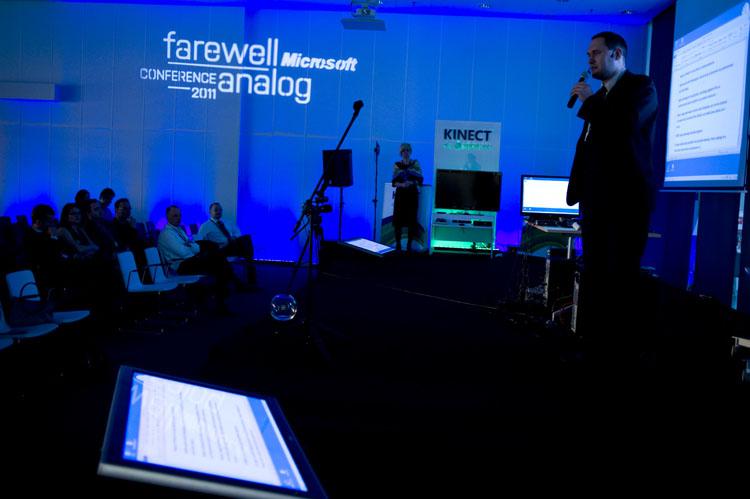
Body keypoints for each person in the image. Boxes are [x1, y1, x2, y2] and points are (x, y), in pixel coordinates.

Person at [566, 31, 658, 361]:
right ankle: (593, 347)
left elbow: (624, 128)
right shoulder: (602, 97)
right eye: (588, 54)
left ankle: (618, 355)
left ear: (617, 55)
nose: (589, 59)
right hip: (596, 205)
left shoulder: (640, 87)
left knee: (618, 279)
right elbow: (590, 147)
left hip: (625, 205)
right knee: (594, 278)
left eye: (596, 53)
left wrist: (591, 101)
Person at [158, 205, 236, 313]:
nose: (178, 218)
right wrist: (191, 248)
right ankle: (222, 293)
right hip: (180, 265)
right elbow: (184, 252)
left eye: (179, 215)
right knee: (217, 260)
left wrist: (190, 247)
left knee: (217, 258)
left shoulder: (179, 230)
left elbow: (194, 246)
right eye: (175, 216)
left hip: (189, 260)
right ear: (167, 216)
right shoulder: (166, 234)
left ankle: (219, 295)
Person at [197, 202, 257, 285]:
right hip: (221, 249)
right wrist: (214, 247)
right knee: (246, 245)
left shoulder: (228, 222)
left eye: (220, 210)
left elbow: (238, 233)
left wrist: (234, 237)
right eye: (216, 210)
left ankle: (251, 274)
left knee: (246, 238)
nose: (218, 212)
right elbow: (200, 241)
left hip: (232, 245)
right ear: (210, 212)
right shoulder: (205, 226)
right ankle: (249, 274)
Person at [391, 143, 423, 252]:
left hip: (412, 195)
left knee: (411, 220)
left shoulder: (415, 163)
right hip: (401, 195)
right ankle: (398, 245)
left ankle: (409, 246)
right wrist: (401, 184)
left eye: (408, 150)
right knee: (398, 220)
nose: (406, 152)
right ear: (401, 153)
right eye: (404, 151)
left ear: (410, 152)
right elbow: (394, 182)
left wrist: (411, 182)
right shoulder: (397, 165)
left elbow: (420, 179)